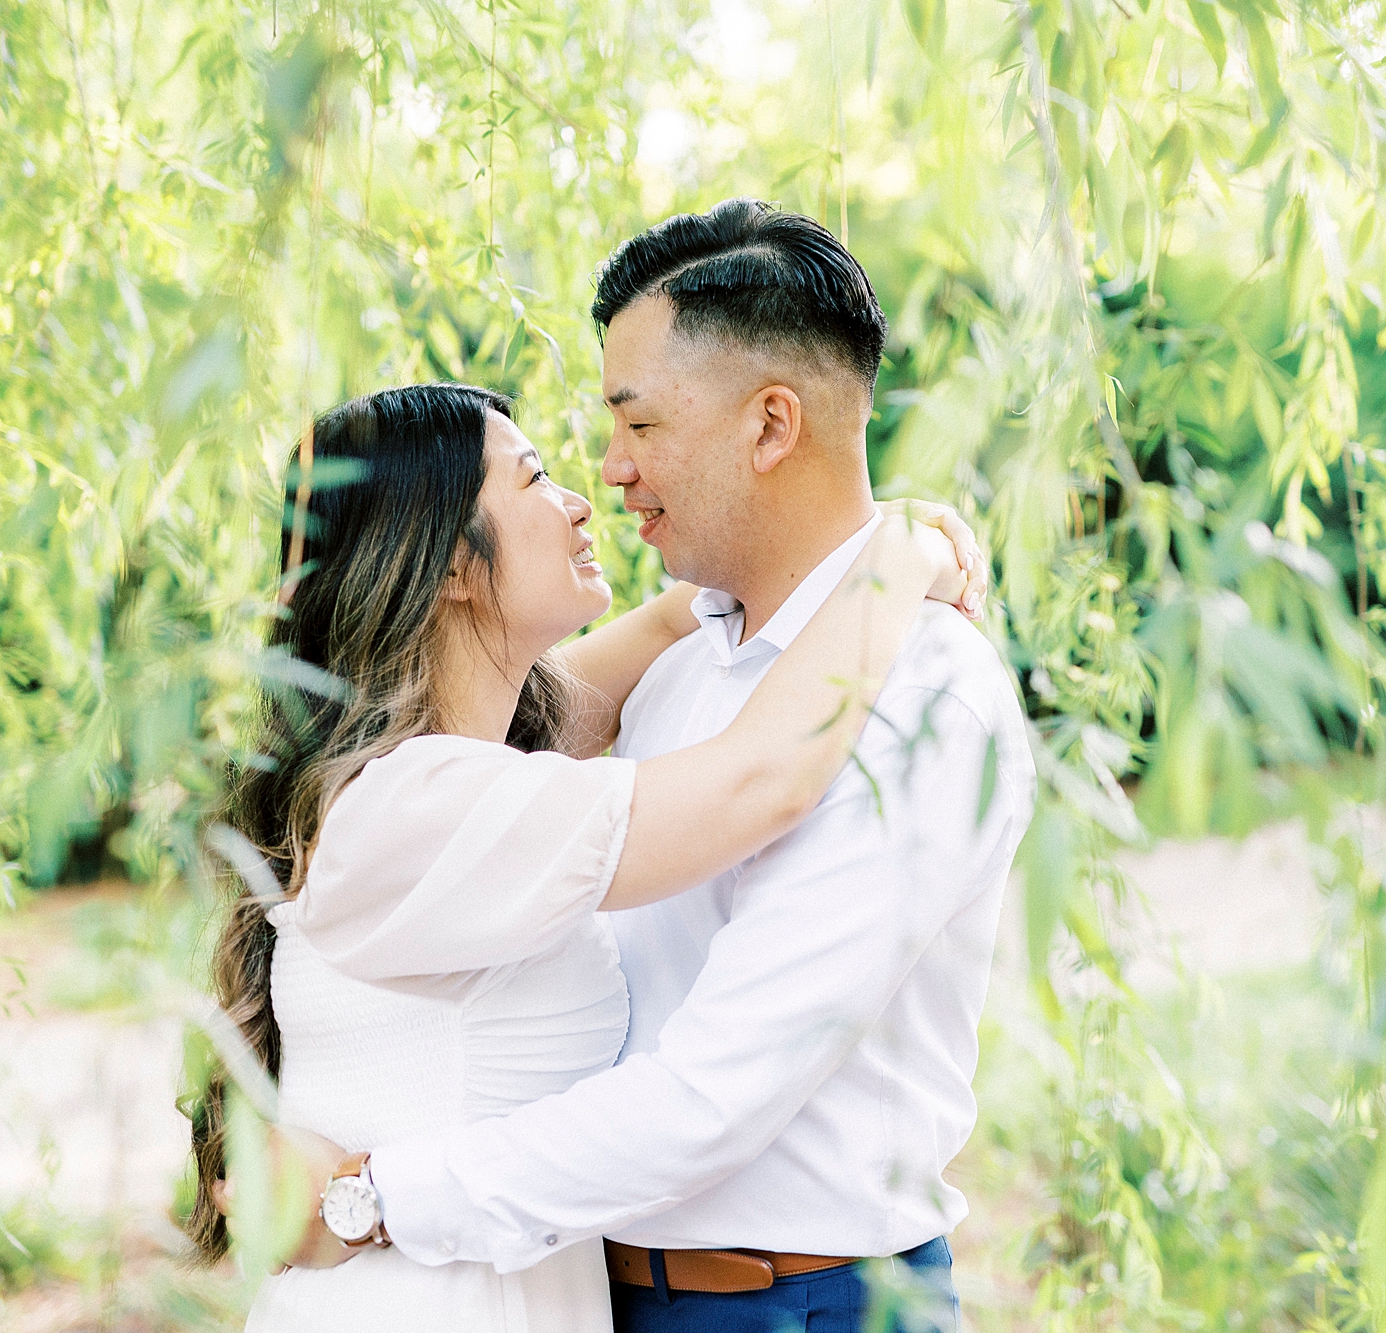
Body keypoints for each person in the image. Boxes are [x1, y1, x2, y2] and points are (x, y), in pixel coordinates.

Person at [274, 201, 1037, 1332]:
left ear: (771, 425)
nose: (607, 472)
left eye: (637, 425)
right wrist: (898, 545)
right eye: (562, 459)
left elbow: (717, 1091)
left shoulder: (919, 691)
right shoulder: (674, 683)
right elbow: (697, 767)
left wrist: (375, 1197)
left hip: (801, 1300)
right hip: (576, 1287)